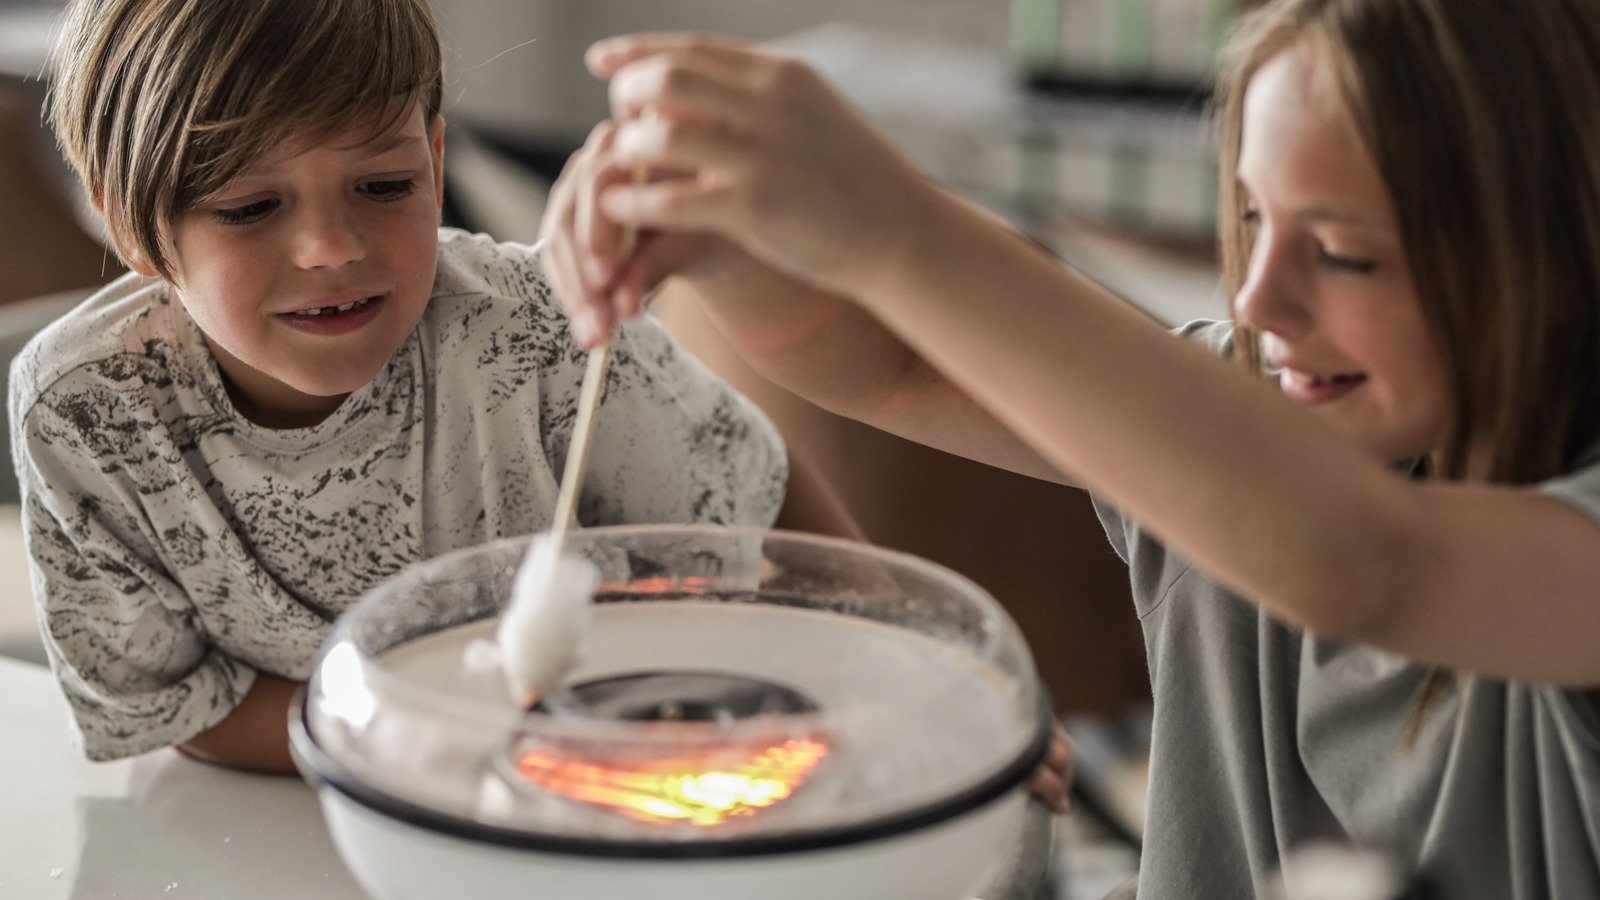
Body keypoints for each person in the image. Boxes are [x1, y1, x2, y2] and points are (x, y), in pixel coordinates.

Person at [540, 0, 1600, 895]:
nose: (1260, 296)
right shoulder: (1250, 407)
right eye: (1248, 217)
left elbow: (1363, 561)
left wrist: (888, 220)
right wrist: (724, 240)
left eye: (1340, 254)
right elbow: (890, 363)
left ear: (1547, 248)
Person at [12, 0, 874, 778]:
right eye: (249, 207)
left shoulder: (543, 336)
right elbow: (175, 705)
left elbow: (799, 549)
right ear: (128, 225)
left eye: (384, 186)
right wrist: (437, 735)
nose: (330, 247)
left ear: (433, 154)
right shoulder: (84, 412)